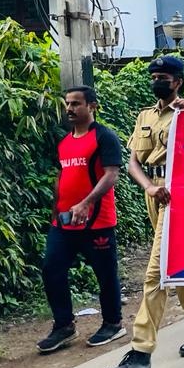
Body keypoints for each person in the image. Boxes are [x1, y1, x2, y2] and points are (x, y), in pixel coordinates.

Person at [110, 57, 184, 368]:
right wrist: (148, 186)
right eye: (154, 76)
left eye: (163, 77)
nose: (157, 82)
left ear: (178, 82)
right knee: (176, 263)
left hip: (180, 197)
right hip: (154, 193)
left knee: (156, 273)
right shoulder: (145, 115)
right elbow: (133, 162)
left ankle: (141, 353)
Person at [38, 86, 125, 354]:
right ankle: (64, 325)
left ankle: (113, 323)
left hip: (97, 221)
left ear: (92, 106)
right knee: (51, 269)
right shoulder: (64, 142)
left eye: (76, 103)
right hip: (64, 222)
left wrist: (87, 203)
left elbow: (111, 174)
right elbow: (62, 176)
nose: (70, 109)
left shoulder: (104, 137)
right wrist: (55, 211)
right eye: (67, 103)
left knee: (105, 274)